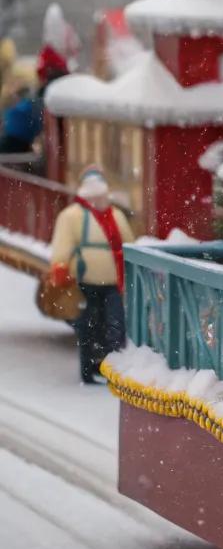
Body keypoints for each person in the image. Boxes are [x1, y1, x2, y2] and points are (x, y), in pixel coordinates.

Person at [48, 168, 132, 384]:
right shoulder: (72, 216)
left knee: (115, 327)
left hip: (113, 282)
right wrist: (60, 266)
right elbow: (63, 244)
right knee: (88, 327)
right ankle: (88, 369)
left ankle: (112, 368)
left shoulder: (116, 215)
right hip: (84, 282)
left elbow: (129, 243)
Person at [0, 82, 43, 154]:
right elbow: (37, 127)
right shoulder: (29, 107)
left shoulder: (17, 109)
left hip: (13, 140)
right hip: (21, 141)